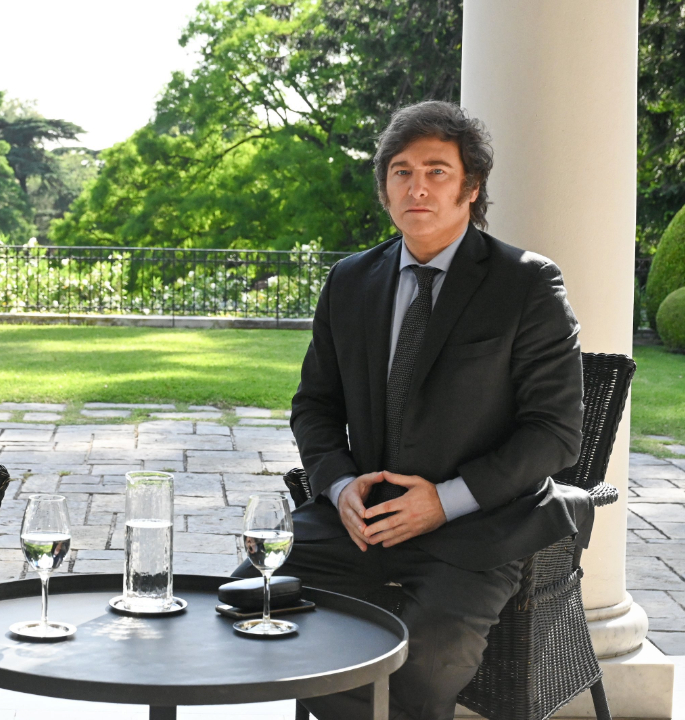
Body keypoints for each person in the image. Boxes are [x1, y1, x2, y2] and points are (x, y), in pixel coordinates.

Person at [233, 101, 593, 720]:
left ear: (471, 188)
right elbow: (314, 406)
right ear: (385, 189)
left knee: (423, 662)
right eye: (401, 172)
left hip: (478, 527)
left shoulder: (526, 284)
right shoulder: (350, 281)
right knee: (244, 603)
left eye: (436, 171)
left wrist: (444, 501)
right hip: (362, 522)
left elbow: (555, 433)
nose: (416, 187)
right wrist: (339, 485)